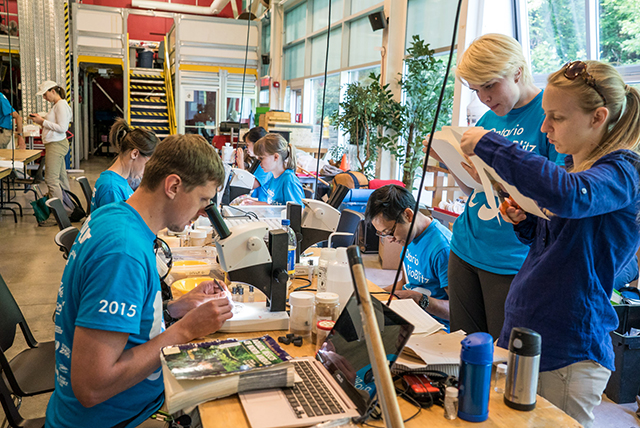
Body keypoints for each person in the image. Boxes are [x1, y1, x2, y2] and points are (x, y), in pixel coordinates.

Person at [459, 60, 640, 427]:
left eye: (556, 117)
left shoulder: (623, 172)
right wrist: (527, 223)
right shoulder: (579, 169)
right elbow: (563, 248)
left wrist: (491, 145)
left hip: (566, 352)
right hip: (526, 337)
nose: (545, 128)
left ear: (597, 117)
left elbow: (568, 196)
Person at [45, 134, 234, 428]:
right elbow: (92, 387)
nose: (201, 213)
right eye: (203, 200)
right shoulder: (124, 253)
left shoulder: (115, 215)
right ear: (173, 186)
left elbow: (122, 317)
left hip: (131, 406)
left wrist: (173, 310)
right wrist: (185, 331)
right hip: (118, 418)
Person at [428, 34, 563, 339]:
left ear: (517, 71)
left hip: (511, 257)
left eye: (489, 85)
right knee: (463, 348)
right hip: (465, 245)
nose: (484, 98)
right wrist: (449, 160)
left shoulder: (548, 118)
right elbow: (476, 191)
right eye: (476, 90)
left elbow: (557, 191)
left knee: (501, 361)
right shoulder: (488, 119)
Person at [364, 185, 451, 329]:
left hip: (434, 327)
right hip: (409, 314)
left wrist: (420, 299)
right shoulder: (409, 236)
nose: (390, 239)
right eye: (383, 234)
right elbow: (405, 283)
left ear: (408, 215)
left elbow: (459, 312)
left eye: (390, 231)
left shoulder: (443, 249)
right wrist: (373, 293)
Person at [91, 118, 159, 211]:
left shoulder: (120, 181)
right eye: (147, 164)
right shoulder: (112, 188)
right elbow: (116, 224)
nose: (146, 171)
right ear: (134, 154)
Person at [29, 80, 73, 222]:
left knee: (51, 179)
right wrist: (42, 117)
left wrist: (42, 122)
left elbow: (62, 127)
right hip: (55, 144)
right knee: (60, 179)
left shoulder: (60, 105)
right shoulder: (58, 105)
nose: (44, 98)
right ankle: (68, 210)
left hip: (56, 145)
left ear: (53, 91)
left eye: (45, 94)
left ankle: (58, 215)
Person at [242, 133, 304, 206]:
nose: (259, 163)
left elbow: (298, 212)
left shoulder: (289, 180)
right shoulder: (274, 176)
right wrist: (254, 203)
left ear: (276, 157)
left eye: (261, 158)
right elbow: (274, 206)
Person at [235, 126, 271, 192]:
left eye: (248, 145)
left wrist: (240, 163)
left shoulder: (265, 165)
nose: (246, 148)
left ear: (257, 143)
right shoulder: (257, 160)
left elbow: (247, 186)